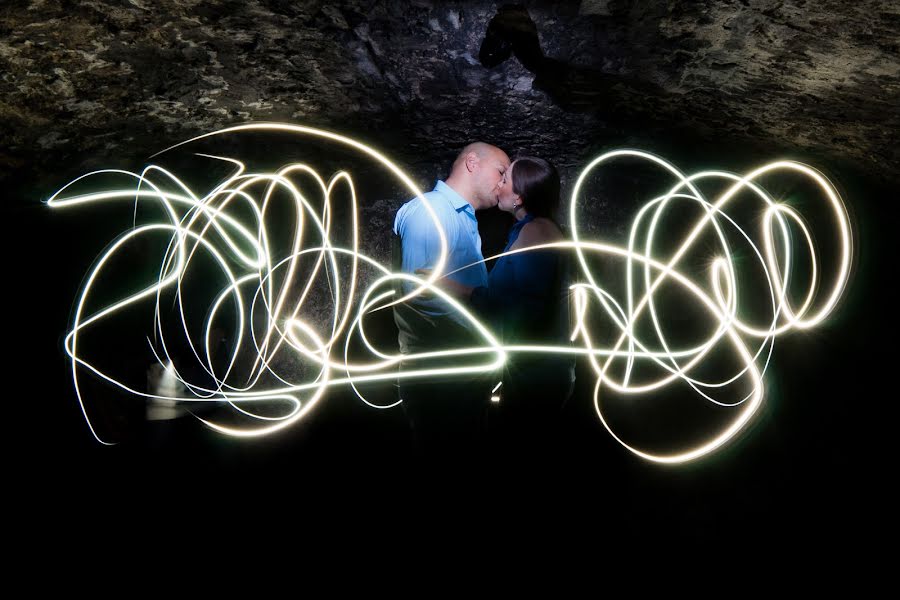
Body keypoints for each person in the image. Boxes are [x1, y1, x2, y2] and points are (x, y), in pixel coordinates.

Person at [423, 156, 575, 462]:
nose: (498, 184)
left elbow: (520, 307)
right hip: (533, 370)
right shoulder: (534, 229)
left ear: (518, 196)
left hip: (538, 376)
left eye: (505, 179)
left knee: (517, 455)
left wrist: (449, 287)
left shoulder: (537, 234)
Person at [392, 142, 511, 462]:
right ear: (472, 163)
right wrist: (485, 341)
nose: (504, 182)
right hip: (441, 381)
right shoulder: (432, 211)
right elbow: (419, 295)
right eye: (501, 171)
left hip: (462, 375)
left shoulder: (463, 219)